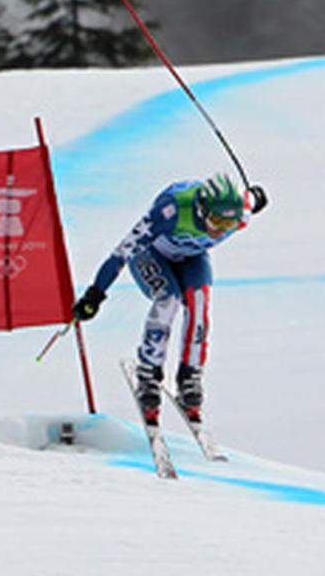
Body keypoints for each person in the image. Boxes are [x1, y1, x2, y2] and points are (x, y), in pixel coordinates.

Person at [72, 173, 267, 426]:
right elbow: (122, 252)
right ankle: (149, 374)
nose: (219, 230)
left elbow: (254, 199)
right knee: (169, 300)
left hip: (192, 256)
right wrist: (95, 294)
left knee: (199, 303)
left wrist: (257, 198)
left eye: (227, 226)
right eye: (216, 220)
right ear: (201, 208)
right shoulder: (170, 211)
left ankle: (190, 375)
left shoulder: (241, 213)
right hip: (151, 253)